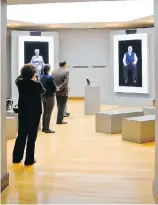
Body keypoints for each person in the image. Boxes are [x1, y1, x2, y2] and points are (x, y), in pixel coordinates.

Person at [13, 64, 46, 166]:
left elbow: (18, 78)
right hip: (34, 112)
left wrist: (25, 74)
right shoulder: (37, 84)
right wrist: (35, 78)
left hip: (23, 112)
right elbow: (43, 91)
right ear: (33, 73)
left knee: (21, 135)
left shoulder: (20, 82)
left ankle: (16, 158)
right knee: (32, 137)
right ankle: (29, 160)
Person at [40, 64, 57, 133]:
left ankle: (44, 128)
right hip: (50, 96)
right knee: (48, 113)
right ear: (49, 69)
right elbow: (54, 87)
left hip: (43, 96)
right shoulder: (50, 77)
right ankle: (47, 129)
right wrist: (56, 90)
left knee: (45, 113)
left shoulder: (41, 77)